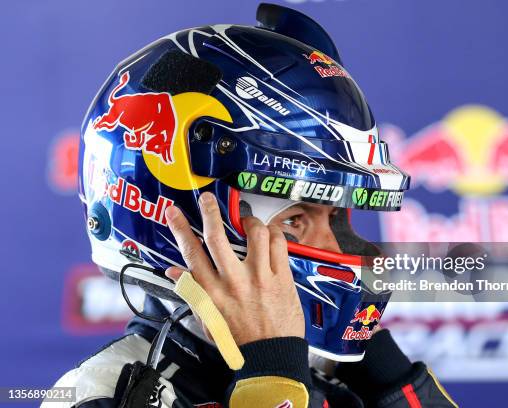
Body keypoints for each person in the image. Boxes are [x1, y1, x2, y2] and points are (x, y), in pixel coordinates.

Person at [44, 3, 458, 407]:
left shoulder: (331, 383)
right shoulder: (103, 394)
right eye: (296, 219)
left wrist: (385, 376)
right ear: (187, 219)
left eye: (334, 217)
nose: (334, 250)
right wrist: (273, 374)